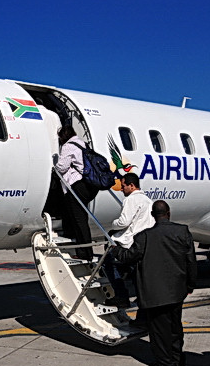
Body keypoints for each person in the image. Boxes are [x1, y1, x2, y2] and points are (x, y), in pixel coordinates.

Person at [111, 200, 197, 366]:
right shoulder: (182, 231)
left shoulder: (144, 237)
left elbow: (128, 256)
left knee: (159, 331)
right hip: (176, 291)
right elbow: (191, 261)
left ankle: (166, 363)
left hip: (154, 294)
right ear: (169, 213)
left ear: (152, 216)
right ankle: (177, 358)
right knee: (175, 326)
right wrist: (190, 285)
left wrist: (115, 249)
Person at [103, 173, 155, 307]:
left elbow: (124, 222)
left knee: (108, 262)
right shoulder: (148, 201)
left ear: (132, 186)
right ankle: (142, 297)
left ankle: (121, 296)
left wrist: (112, 224)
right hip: (142, 243)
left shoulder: (131, 199)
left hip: (129, 242)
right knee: (135, 271)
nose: (121, 189)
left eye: (124, 185)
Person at [54, 125, 97, 260]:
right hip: (90, 185)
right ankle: (84, 249)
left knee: (79, 219)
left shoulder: (68, 146)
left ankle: (85, 253)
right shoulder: (83, 143)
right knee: (81, 218)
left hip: (78, 185)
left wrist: (53, 165)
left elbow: (62, 167)